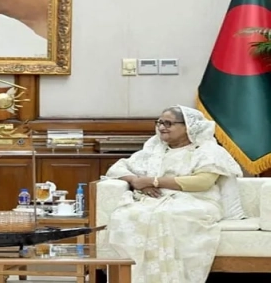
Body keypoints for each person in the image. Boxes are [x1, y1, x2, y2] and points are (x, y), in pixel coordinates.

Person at [104, 105, 243, 283]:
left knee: (167, 215)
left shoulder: (207, 150)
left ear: (188, 127)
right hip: (155, 199)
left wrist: (154, 181)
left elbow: (202, 182)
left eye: (168, 123)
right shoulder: (155, 149)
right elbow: (117, 168)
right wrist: (136, 181)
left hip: (198, 200)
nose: (162, 127)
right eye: (159, 122)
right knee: (125, 214)